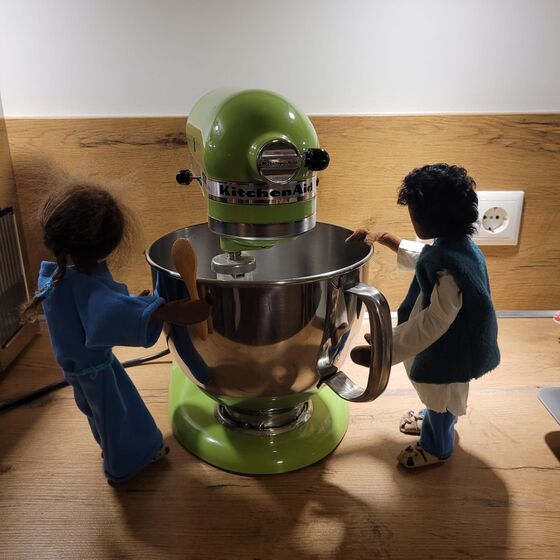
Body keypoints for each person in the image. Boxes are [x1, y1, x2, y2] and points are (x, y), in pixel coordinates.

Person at [22, 184, 210, 484]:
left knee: (99, 414)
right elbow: (107, 317)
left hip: (77, 368)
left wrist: (139, 306)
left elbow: (104, 310)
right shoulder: (84, 285)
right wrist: (165, 312)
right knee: (119, 415)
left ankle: (112, 451)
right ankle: (124, 465)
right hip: (95, 370)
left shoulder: (55, 274)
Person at [347, 163, 500, 468]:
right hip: (448, 343)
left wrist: (387, 347)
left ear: (431, 218)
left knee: (441, 396)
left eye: (413, 214)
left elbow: (434, 322)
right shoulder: (458, 247)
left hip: (450, 349)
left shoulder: (450, 269)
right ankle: (433, 418)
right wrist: (388, 239)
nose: (412, 219)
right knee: (438, 395)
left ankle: (436, 448)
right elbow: (427, 258)